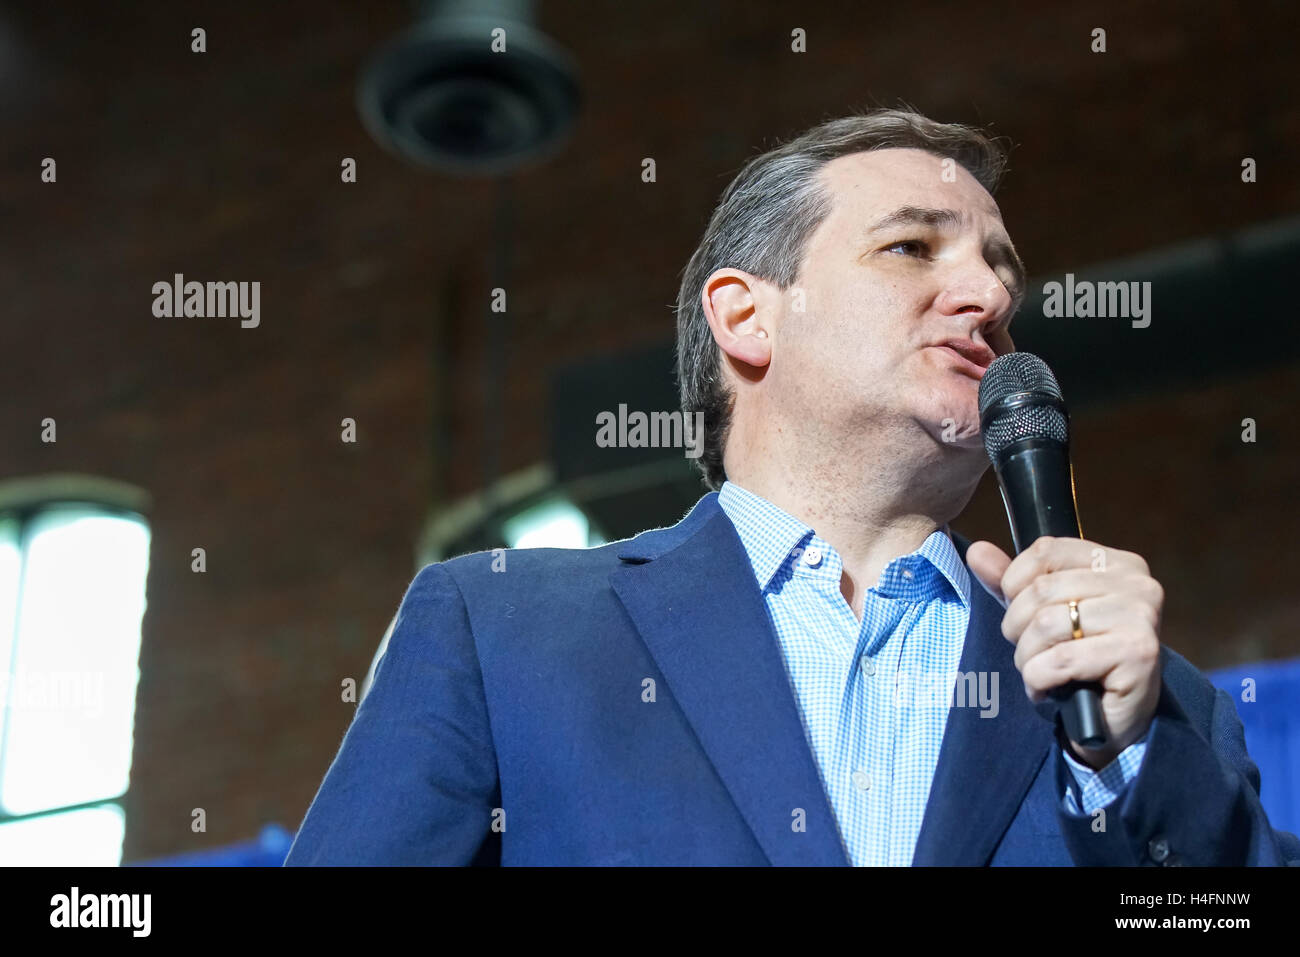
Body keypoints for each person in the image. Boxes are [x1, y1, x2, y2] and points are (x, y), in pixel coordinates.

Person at [285, 109, 1299, 865]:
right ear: (747, 319)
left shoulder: (1149, 703)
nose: (989, 295)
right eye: (910, 247)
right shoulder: (500, 633)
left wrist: (1120, 760)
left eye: (1001, 271)